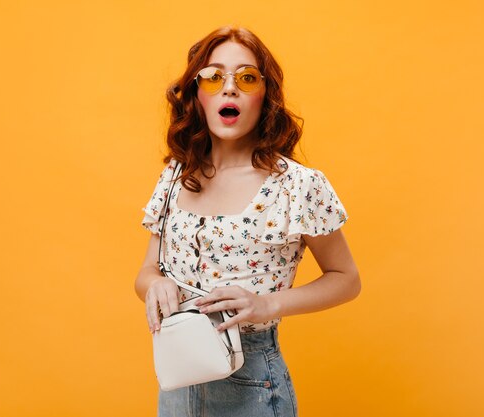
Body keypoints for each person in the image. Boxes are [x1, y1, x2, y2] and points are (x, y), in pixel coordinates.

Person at [135, 25, 361, 417]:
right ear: (196, 95)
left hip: (253, 382)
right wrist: (155, 285)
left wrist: (266, 304)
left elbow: (347, 279)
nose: (229, 88)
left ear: (265, 96)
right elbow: (147, 271)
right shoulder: (175, 176)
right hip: (176, 376)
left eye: (246, 77)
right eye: (212, 76)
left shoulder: (297, 186)